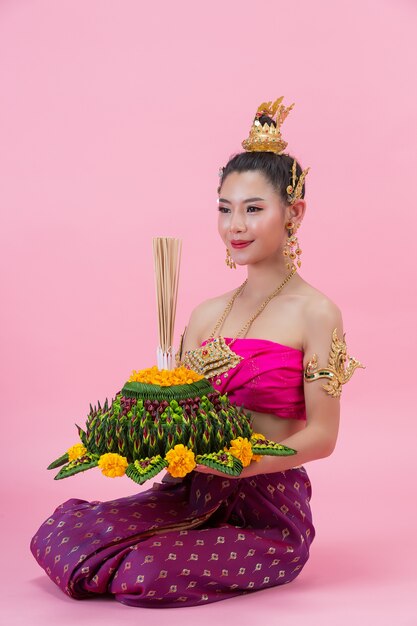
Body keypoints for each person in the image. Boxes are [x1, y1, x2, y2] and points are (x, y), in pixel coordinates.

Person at [30, 97, 363, 607]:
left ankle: (225, 550)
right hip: (187, 492)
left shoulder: (315, 313)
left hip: (268, 509)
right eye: (225, 209)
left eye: (254, 209)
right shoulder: (207, 314)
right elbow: (181, 417)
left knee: (147, 570)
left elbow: (323, 436)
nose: (236, 226)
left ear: (293, 212)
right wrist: (135, 432)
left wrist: (242, 468)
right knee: (60, 531)